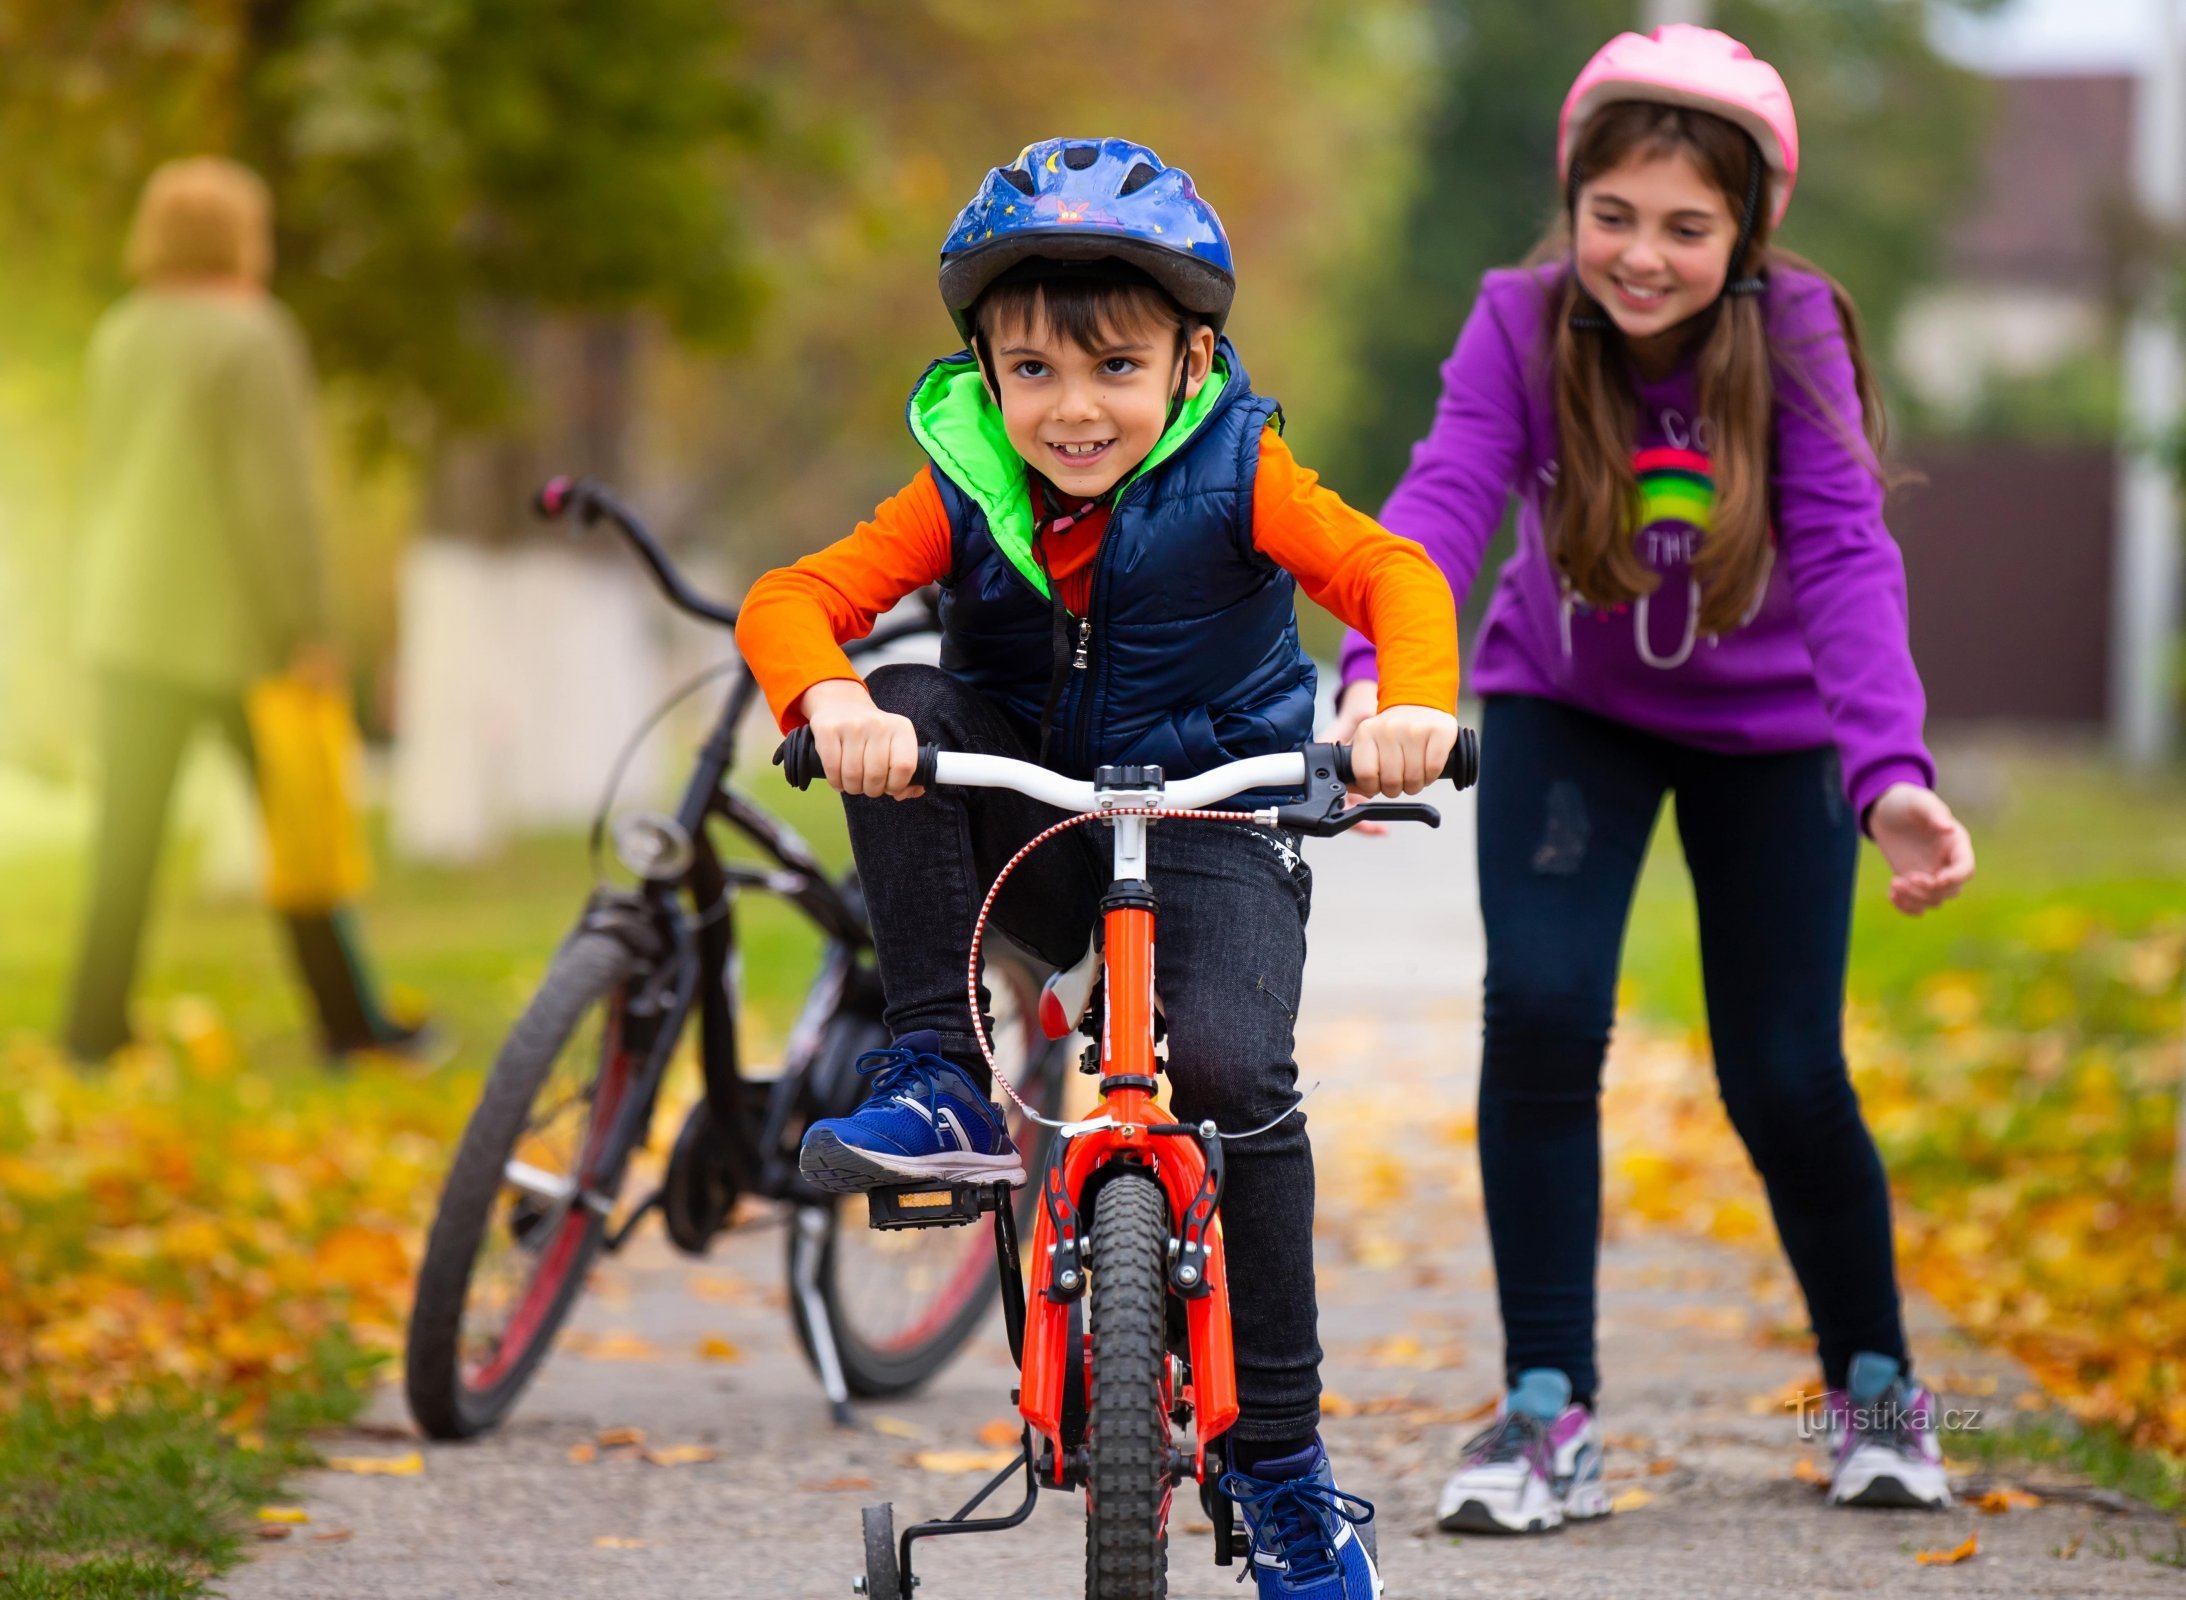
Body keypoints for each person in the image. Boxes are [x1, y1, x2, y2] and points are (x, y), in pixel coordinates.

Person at [735, 136, 1460, 1598]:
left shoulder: (1243, 470)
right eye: (1032, 375)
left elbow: (1392, 575)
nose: (1073, 411)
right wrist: (830, 699)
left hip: (1214, 825)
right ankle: (938, 1070)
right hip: (1041, 821)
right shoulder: (959, 485)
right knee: (916, 697)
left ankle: (1283, 1460)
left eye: (1115, 368)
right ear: (989, 376)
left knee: (1243, 1080)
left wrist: (1406, 704)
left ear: (1192, 359)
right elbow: (794, 597)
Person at [1326, 27, 1977, 1532]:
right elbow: (1440, 495)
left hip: (1783, 736)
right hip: (1572, 707)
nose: (1640, 254)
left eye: (1685, 226)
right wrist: (1390, 678)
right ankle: (1547, 1410)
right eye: (1611, 214)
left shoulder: (1794, 330)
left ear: (1745, 230)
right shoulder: (1519, 318)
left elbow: (1842, 554)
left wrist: (1886, 772)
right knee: (1544, 1020)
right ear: (1572, 203)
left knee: (1783, 1074)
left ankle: (1868, 1391)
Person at [62, 156, 427, 1067]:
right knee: (302, 830)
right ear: (242, 235)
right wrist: (307, 626)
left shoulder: (121, 331)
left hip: (128, 624)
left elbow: (99, 478)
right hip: (237, 633)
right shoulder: (251, 335)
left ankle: (91, 1030)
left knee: (125, 843)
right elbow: (277, 500)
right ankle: (352, 1027)